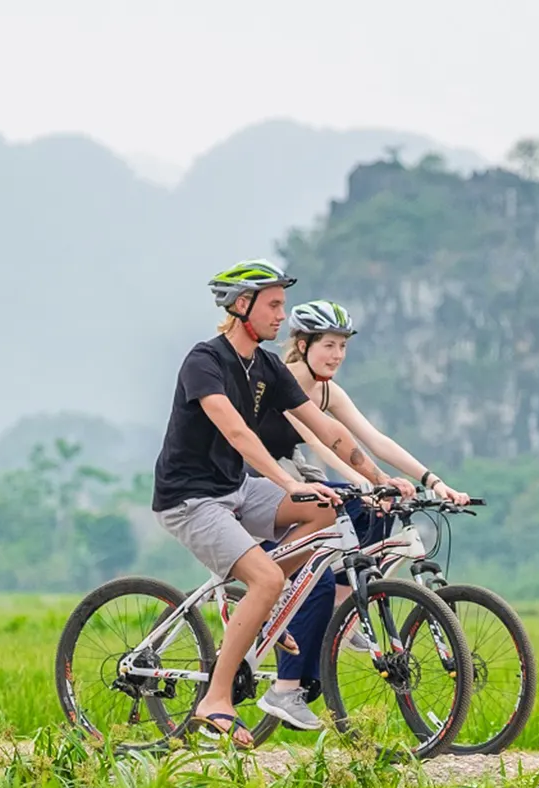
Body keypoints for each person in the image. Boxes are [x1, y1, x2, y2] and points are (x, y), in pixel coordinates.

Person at [151, 260, 393, 747]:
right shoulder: (205, 361)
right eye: (274, 305)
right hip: (190, 499)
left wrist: (381, 479)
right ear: (243, 306)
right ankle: (215, 700)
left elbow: (328, 430)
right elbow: (237, 432)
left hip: (235, 490)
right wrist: (288, 482)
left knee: (328, 510)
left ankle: (274, 603)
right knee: (265, 575)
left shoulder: (266, 367)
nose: (284, 316)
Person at [248, 299, 471, 731]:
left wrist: (433, 480)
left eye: (343, 347)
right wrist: (368, 483)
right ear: (302, 343)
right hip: (258, 486)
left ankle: (346, 603)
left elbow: (373, 439)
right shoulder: (286, 382)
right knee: (319, 567)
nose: (336, 355)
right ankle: (287, 685)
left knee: (374, 512)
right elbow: (326, 443)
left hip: (292, 483)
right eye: (328, 345)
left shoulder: (327, 389)